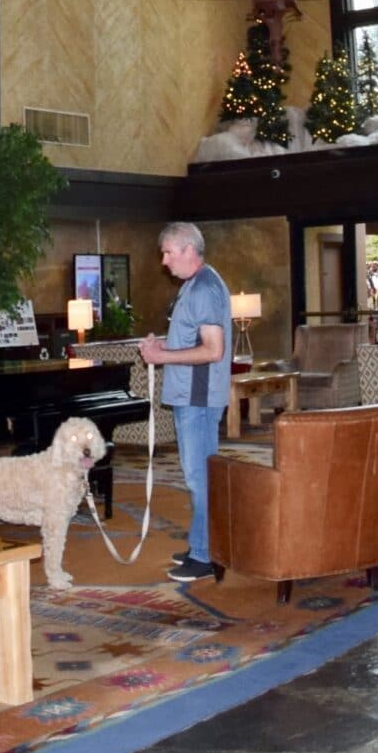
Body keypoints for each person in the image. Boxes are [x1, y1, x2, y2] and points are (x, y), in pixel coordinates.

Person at [137, 220, 232, 583]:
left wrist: (162, 357)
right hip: (190, 397)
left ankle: (205, 555)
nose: (164, 261)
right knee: (197, 474)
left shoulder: (204, 288)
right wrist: (164, 345)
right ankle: (200, 545)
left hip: (198, 398)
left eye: (168, 253)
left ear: (188, 250)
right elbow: (194, 339)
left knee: (199, 476)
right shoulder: (195, 285)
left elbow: (212, 350)